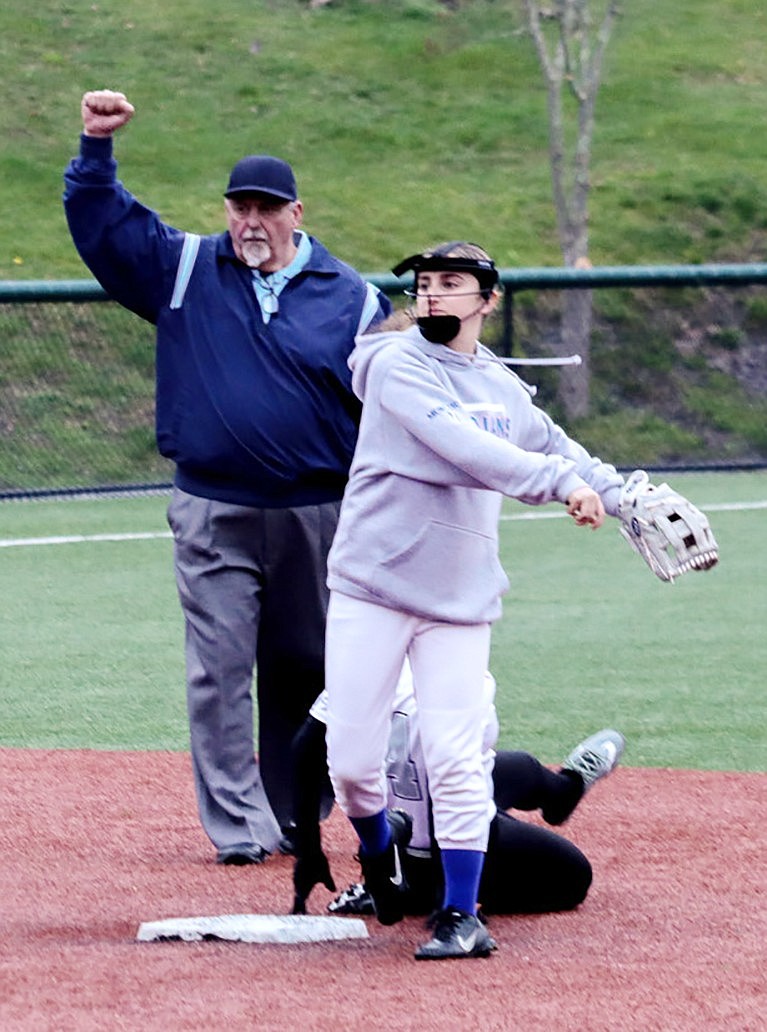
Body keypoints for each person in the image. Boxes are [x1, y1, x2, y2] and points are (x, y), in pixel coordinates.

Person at [62, 89, 391, 865]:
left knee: (305, 669)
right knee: (217, 670)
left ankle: (292, 812)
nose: (250, 221)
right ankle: (238, 828)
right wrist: (95, 147)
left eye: (266, 209)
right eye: (239, 206)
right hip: (214, 510)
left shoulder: (353, 300)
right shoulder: (182, 269)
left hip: (318, 513)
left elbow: (395, 406)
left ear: (295, 214)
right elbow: (102, 226)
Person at [322, 241, 626, 959]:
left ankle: (461, 915)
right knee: (353, 766)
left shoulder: (501, 388)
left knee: (455, 758)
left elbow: (566, 452)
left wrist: (635, 496)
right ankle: (378, 848)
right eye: (424, 285)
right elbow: (464, 447)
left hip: (458, 598)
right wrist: (558, 485)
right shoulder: (395, 364)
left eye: (450, 284)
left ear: (487, 300)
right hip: (373, 586)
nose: (431, 295)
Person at [290, 668, 625, 919]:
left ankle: (564, 792)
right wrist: (449, 895)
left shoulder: (368, 662)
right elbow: (453, 792)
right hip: (450, 834)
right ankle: (427, 891)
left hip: (397, 826)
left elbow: (305, 750)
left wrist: (309, 850)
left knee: (517, 768)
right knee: (573, 878)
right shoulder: (455, 665)